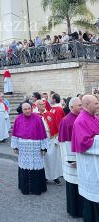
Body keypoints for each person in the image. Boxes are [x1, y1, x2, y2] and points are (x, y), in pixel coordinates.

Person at [72, 94, 99, 222]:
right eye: (96, 104)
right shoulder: (81, 121)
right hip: (90, 165)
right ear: (87, 105)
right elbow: (84, 143)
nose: (98, 105)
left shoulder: (93, 117)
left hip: (96, 162)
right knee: (94, 195)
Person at [12, 103, 47, 195]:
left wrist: (44, 148)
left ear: (31, 108)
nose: (27, 111)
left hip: (35, 147)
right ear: (22, 110)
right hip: (23, 148)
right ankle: (25, 188)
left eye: (29, 108)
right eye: (25, 109)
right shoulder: (18, 119)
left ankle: (37, 188)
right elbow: (15, 133)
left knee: (36, 166)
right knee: (24, 167)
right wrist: (15, 146)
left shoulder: (38, 119)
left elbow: (43, 133)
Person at [58, 97, 83, 218]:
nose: (81, 107)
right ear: (71, 107)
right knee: (74, 184)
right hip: (73, 159)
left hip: (82, 157)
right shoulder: (66, 121)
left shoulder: (82, 118)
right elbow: (65, 141)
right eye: (79, 105)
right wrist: (71, 159)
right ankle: (75, 210)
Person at [35, 99, 62, 185]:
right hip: (39, 140)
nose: (43, 105)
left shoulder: (50, 114)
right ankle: (44, 177)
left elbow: (55, 126)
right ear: (37, 106)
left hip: (50, 139)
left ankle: (54, 177)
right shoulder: (35, 115)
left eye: (43, 104)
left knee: (52, 159)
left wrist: (56, 139)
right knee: (42, 159)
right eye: (40, 104)